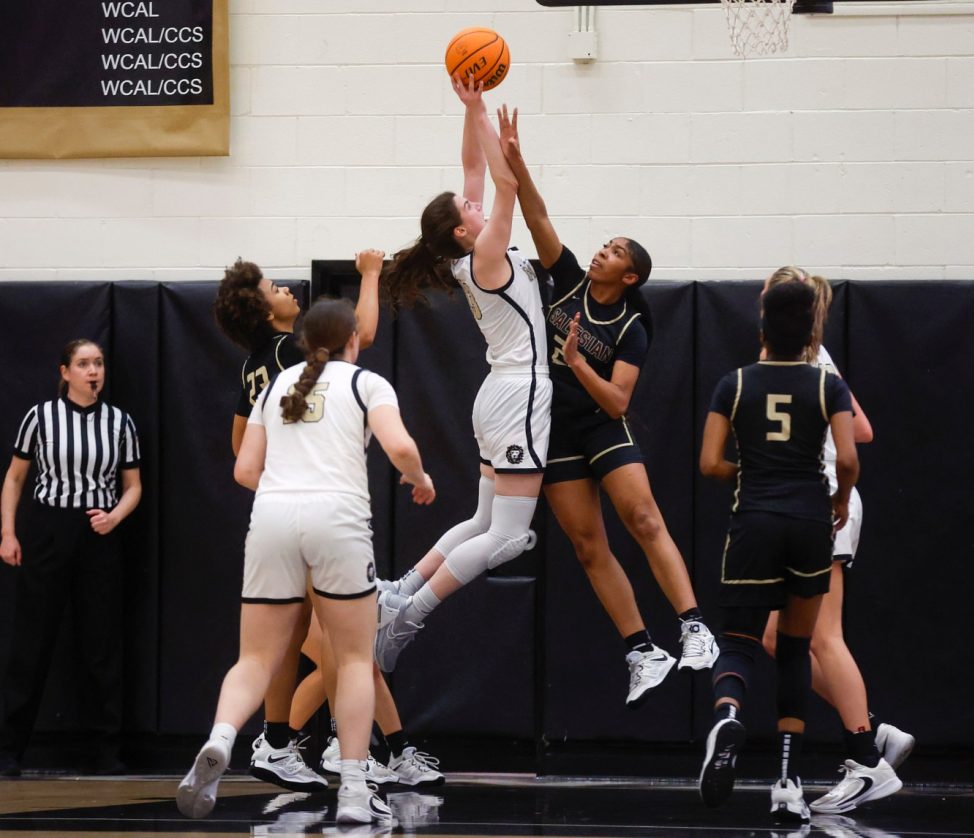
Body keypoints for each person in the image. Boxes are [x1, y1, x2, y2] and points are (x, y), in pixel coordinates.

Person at [483, 104, 716, 706]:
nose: (601, 253)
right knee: (588, 546)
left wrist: (579, 362)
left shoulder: (635, 323)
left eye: (613, 252)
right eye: (604, 245)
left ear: (631, 275)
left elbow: (617, 402)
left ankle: (694, 628)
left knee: (643, 520)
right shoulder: (567, 281)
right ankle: (642, 650)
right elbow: (536, 216)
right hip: (552, 430)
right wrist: (516, 160)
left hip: (600, 425)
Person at [177, 298, 435, 824]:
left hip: (272, 515)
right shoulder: (367, 383)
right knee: (355, 658)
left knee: (255, 659)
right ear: (353, 340)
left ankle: (221, 740)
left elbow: (245, 470)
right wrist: (420, 479)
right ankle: (357, 791)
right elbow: (401, 447)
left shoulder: (276, 385)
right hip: (336, 518)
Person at [373, 76, 550, 673]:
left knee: (482, 521)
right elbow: (502, 183)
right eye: (467, 209)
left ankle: (398, 589)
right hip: (519, 392)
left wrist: (472, 109)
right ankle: (406, 617)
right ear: (461, 229)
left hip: (497, 395)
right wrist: (497, 135)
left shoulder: (465, 254)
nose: (475, 204)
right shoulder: (487, 255)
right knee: (508, 538)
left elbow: (475, 174)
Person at [698, 281, 862, 824]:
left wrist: (751, 471)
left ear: (762, 329)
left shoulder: (735, 384)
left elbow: (709, 464)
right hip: (810, 524)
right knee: (795, 648)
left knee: (741, 643)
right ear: (811, 333)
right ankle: (788, 785)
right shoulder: (827, 386)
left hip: (754, 523)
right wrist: (838, 498)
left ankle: (727, 715)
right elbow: (848, 460)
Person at [760, 268, 912, 815]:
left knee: (824, 638)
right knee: (777, 637)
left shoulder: (804, 358)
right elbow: (861, 427)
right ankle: (872, 734)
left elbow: (860, 436)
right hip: (810, 503)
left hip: (824, 503)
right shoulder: (806, 355)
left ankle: (868, 762)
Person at [0, 339, 142, 777]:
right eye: (83, 364)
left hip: (97, 533)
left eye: (98, 363)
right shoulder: (40, 417)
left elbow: (134, 485)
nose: (93, 370)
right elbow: (15, 478)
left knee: (101, 644)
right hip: (47, 529)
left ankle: (106, 751)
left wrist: (113, 517)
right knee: (32, 642)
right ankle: (9, 750)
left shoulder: (120, 423)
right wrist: (8, 532)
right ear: (65, 372)